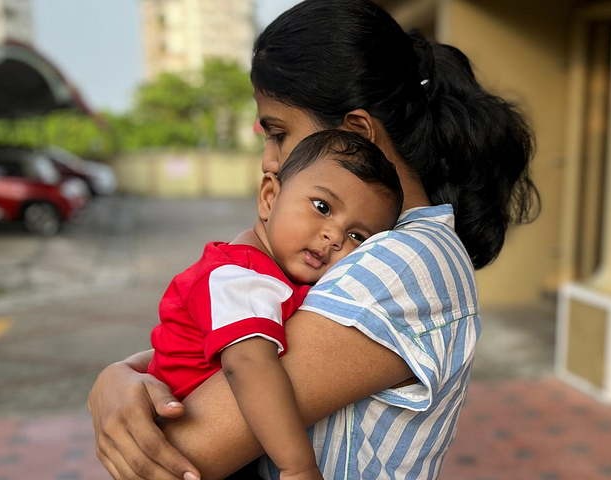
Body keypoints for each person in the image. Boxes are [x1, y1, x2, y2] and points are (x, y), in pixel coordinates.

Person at [86, 1, 539, 478]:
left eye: (278, 133)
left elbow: (180, 455)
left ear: (357, 133)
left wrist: (128, 396)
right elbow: (221, 343)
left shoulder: (405, 263)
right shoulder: (366, 246)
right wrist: (121, 378)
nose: (269, 159)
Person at [147, 131, 403, 480]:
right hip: (194, 453)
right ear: (269, 196)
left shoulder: (263, 273)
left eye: (358, 236)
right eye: (322, 207)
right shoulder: (243, 278)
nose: (335, 236)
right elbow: (249, 365)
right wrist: (297, 465)